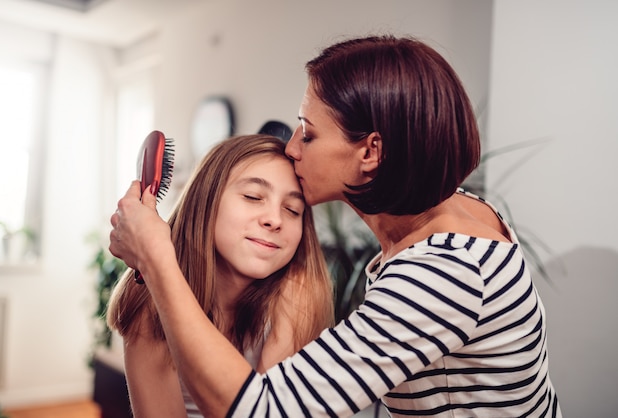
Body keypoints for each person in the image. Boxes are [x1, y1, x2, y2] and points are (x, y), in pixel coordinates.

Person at [109, 35, 562, 417]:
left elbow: (261, 411)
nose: (292, 148)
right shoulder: (465, 209)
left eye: (308, 132)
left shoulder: (445, 270)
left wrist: (155, 256)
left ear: (371, 152)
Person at [106, 134, 334, 417]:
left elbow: (262, 412)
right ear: (205, 201)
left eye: (292, 210)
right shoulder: (146, 298)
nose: (275, 219)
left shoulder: (298, 291)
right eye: (253, 197)